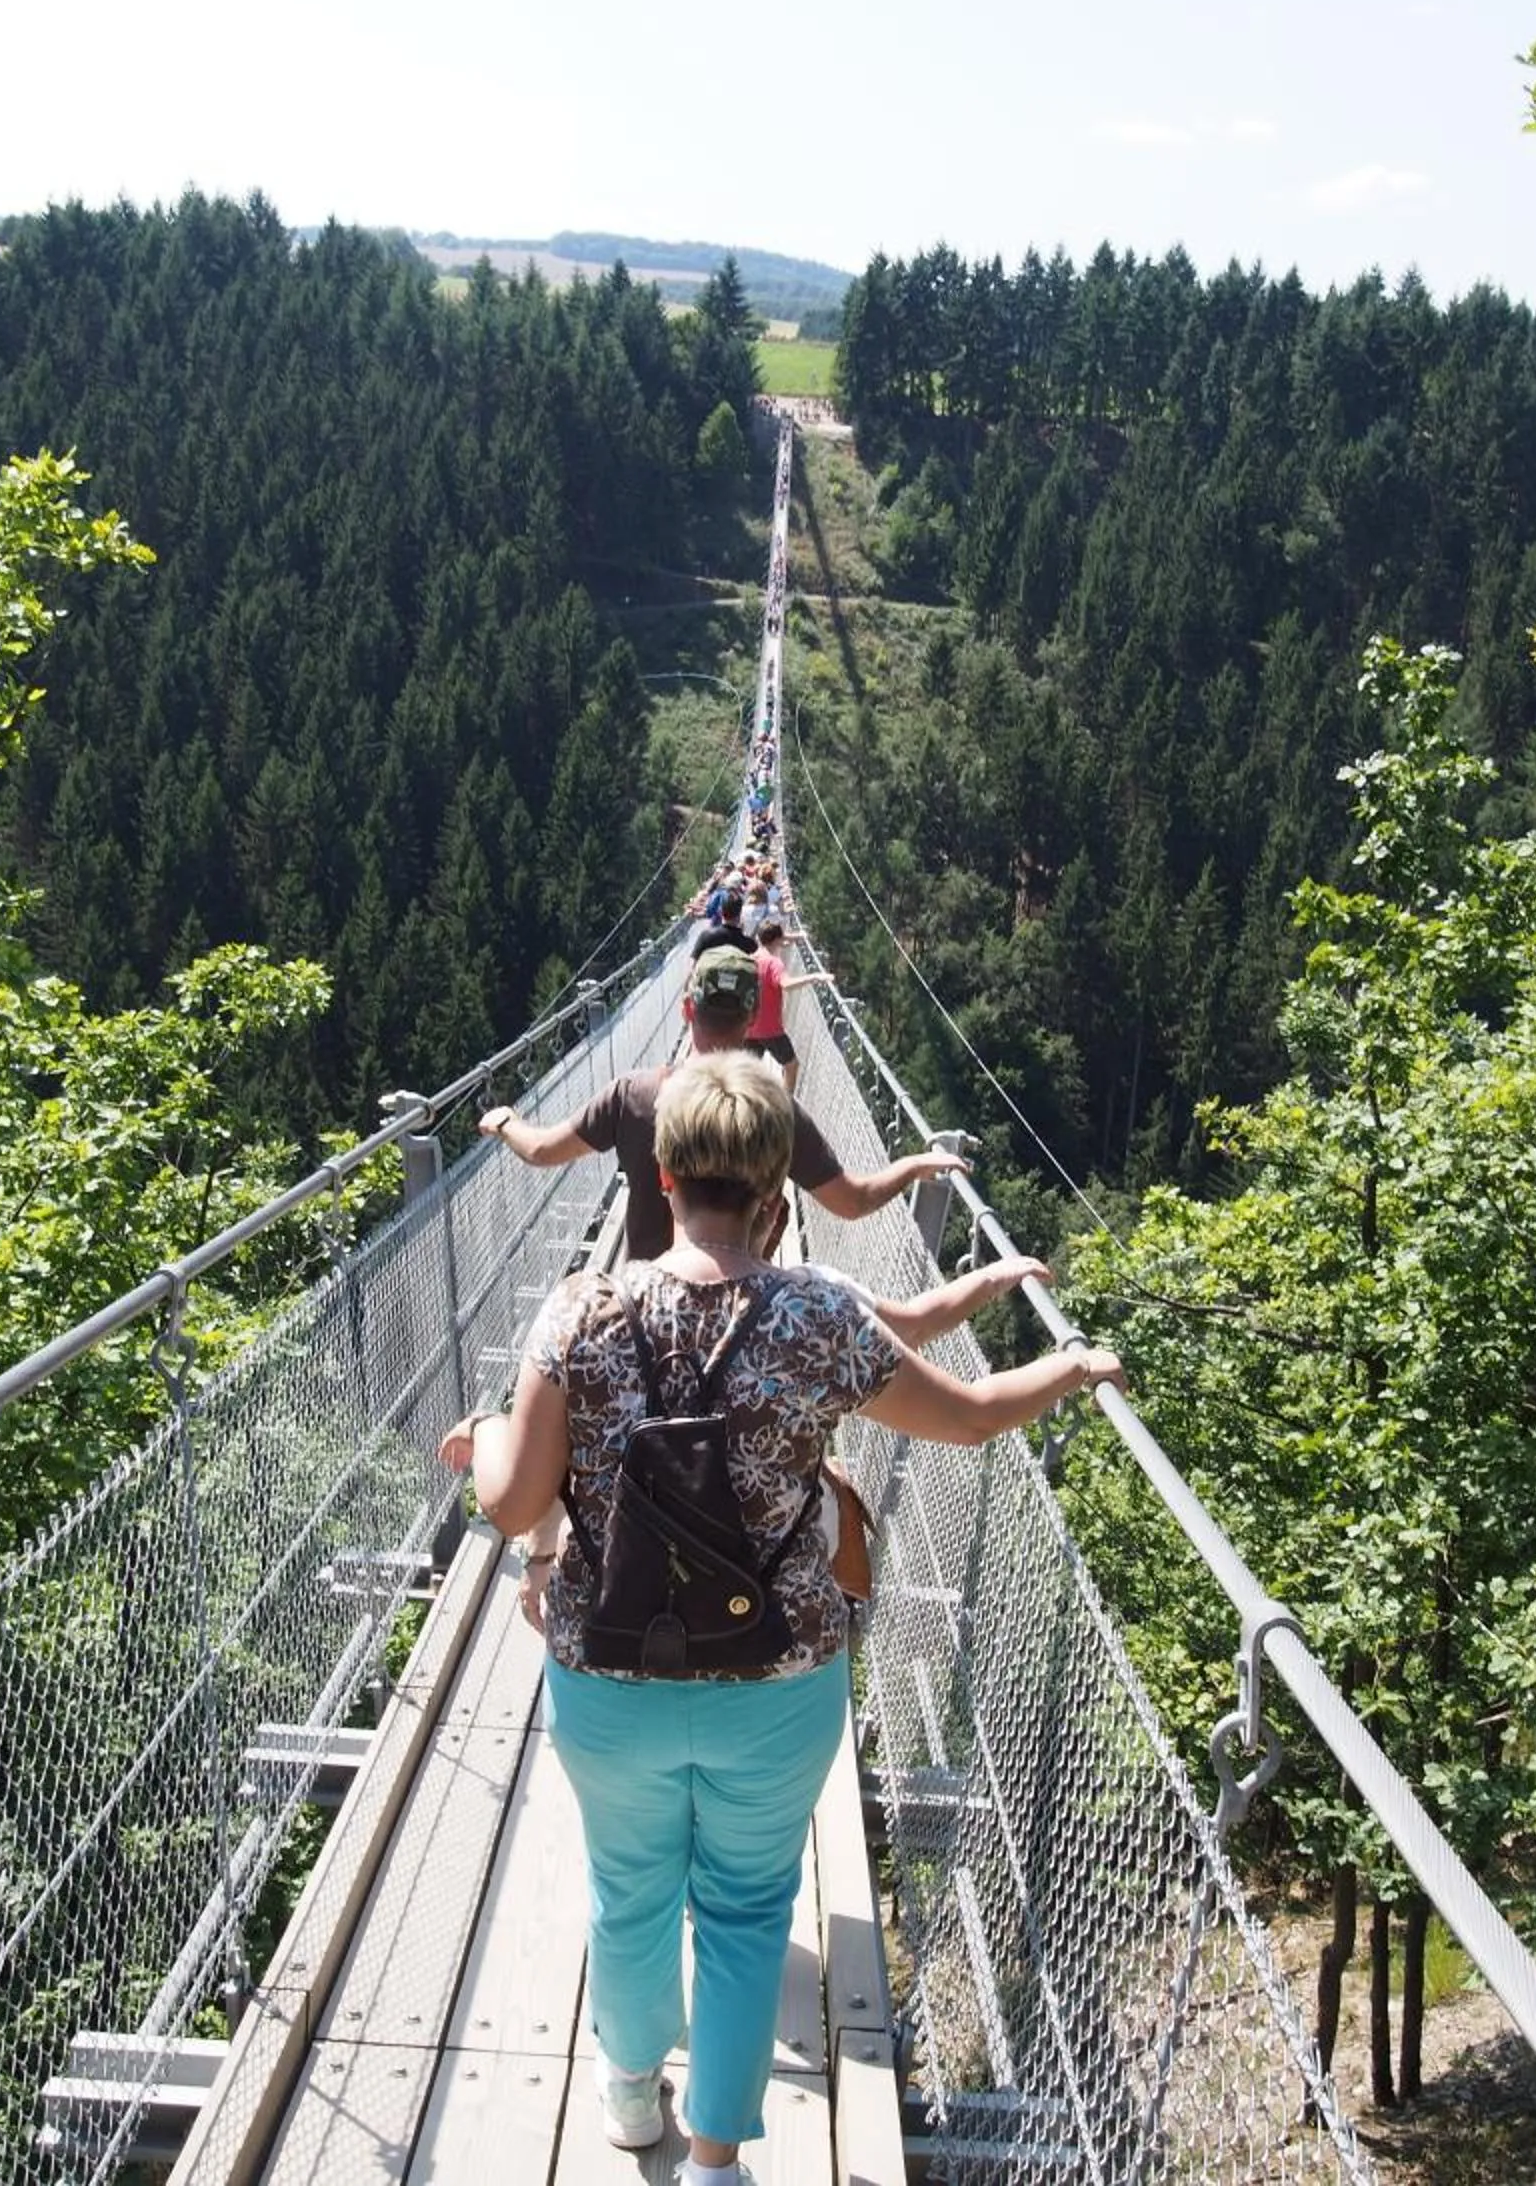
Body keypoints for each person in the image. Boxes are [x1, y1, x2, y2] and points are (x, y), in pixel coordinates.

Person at [443, 1055, 1120, 2183]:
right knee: (751, 1909)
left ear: (658, 1175)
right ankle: (717, 2162)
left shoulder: (579, 1313)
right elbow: (966, 1420)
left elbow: (515, 1505)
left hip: (608, 1677)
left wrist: (484, 1444)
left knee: (630, 1890)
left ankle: (625, 2089)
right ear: (775, 1196)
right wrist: (1069, 1366)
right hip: (780, 1676)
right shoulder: (820, 1317)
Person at [477, 946, 965, 1262]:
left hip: (646, 1313)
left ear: (687, 1008)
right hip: (739, 1317)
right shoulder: (774, 1110)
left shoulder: (633, 1097)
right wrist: (912, 1165)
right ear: (753, 1018)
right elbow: (852, 1201)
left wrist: (506, 1122)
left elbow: (541, 1151)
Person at [743, 919, 830, 1089]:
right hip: (770, 1029)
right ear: (778, 940)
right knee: (791, 1065)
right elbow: (786, 984)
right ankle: (786, 1104)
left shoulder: (749, 959)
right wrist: (814, 977)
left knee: (747, 1072)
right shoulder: (773, 962)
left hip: (748, 1027)